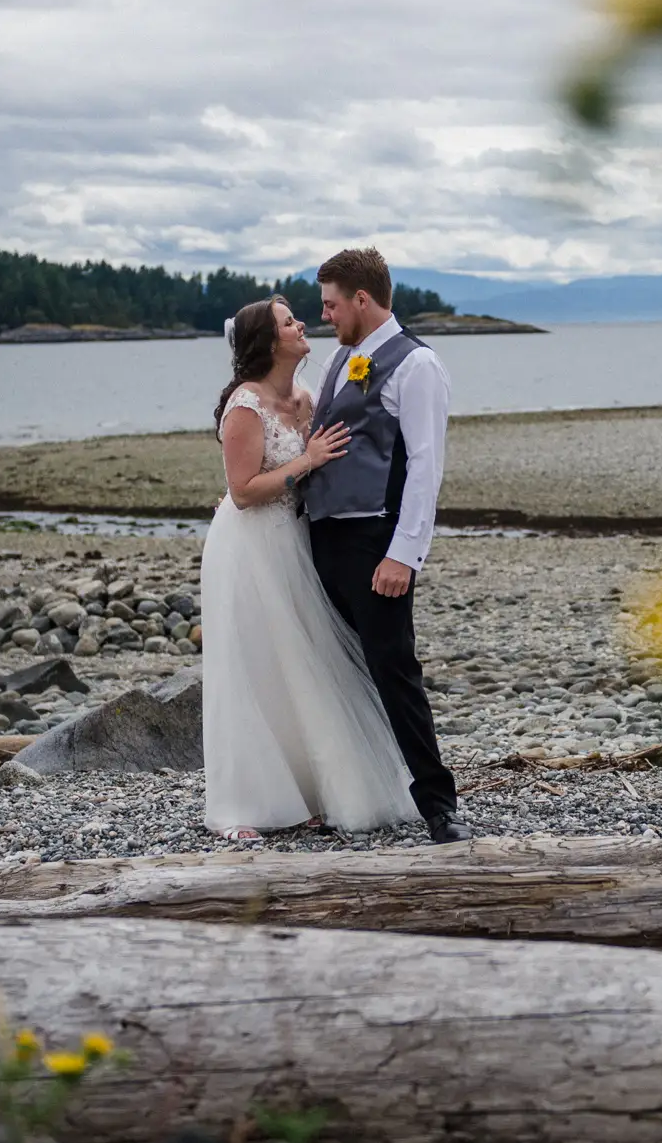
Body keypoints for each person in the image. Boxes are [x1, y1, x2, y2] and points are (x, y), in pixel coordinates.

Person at [200, 294, 418, 840]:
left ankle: (310, 790)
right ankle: (249, 803)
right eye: (289, 321)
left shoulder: (307, 395)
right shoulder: (245, 406)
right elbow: (244, 492)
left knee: (306, 662)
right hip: (251, 546)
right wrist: (308, 461)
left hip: (299, 538)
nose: (303, 324)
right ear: (269, 343)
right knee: (258, 668)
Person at [303, 248, 471, 844]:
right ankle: (357, 791)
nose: (324, 315)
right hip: (325, 537)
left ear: (362, 300)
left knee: (394, 670)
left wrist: (405, 554)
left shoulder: (416, 365)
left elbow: (426, 466)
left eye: (330, 304)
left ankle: (438, 803)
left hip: (376, 541)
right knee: (340, 669)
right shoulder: (343, 357)